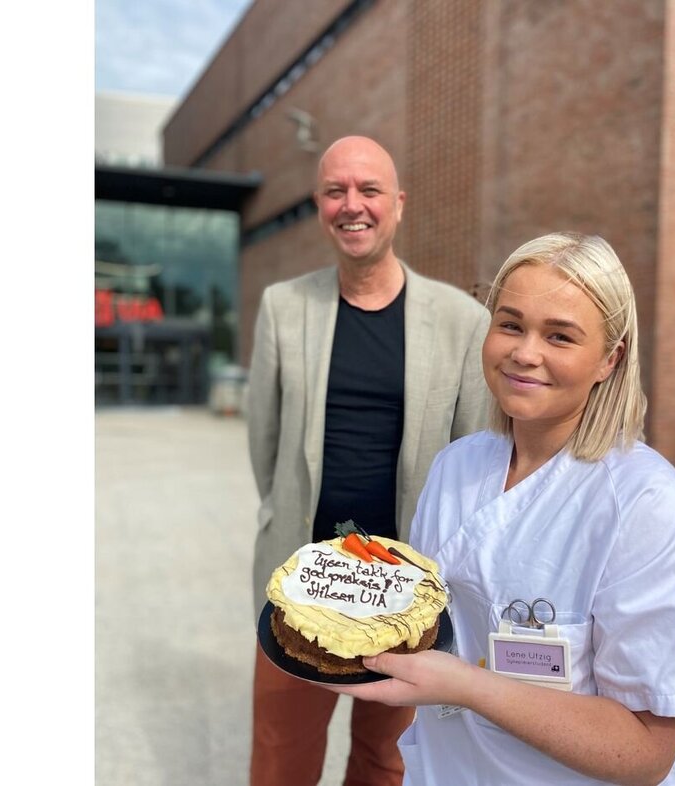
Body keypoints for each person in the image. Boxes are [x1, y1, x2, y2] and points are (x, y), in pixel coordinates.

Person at [326, 232, 675, 785]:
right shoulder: (456, 467)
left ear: (611, 358)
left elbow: (645, 751)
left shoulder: (647, 507)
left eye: (560, 336)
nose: (524, 352)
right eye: (510, 324)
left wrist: (464, 686)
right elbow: (430, 622)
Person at [246, 135, 492, 786]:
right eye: (335, 191)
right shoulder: (283, 308)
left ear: (398, 205)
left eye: (368, 190)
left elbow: (472, 462)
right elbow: (263, 445)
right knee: (280, 756)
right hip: (301, 588)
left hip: (402, 601)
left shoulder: (463, 322)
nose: (352, 206)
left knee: (387, 762)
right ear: (320, 204)